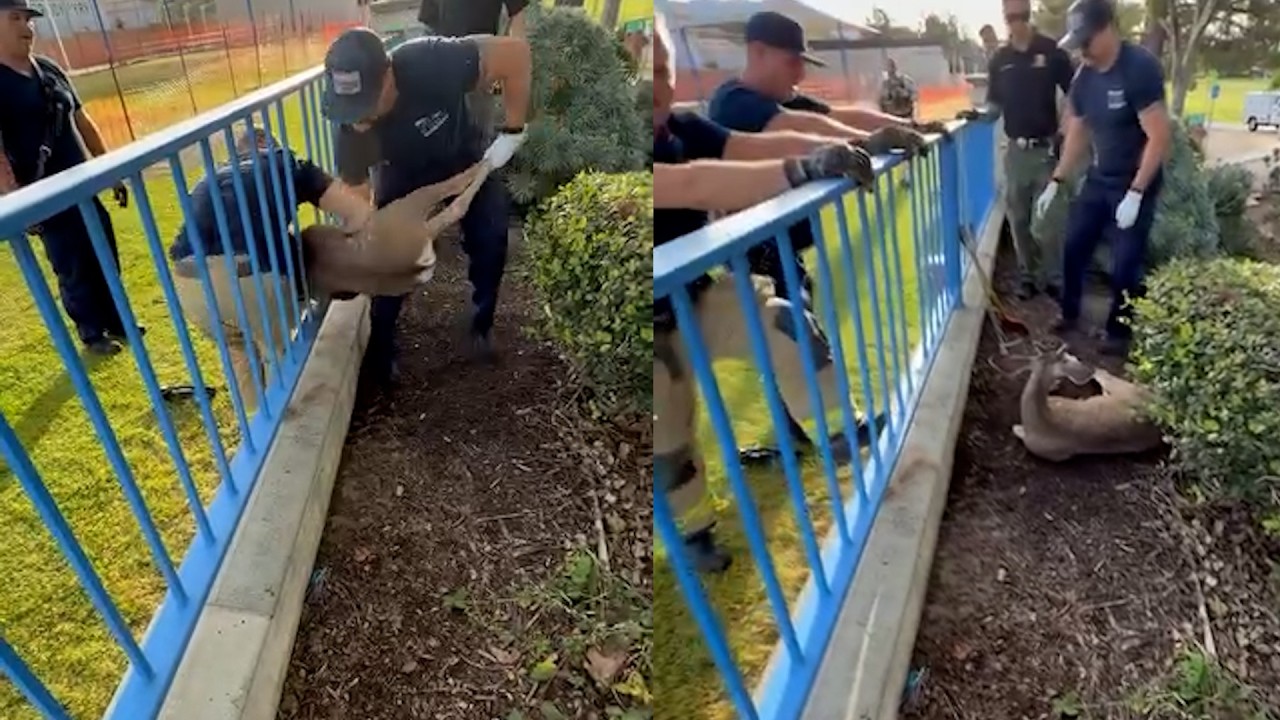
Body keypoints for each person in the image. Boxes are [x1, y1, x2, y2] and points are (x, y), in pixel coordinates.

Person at [653, 12, 883, 573]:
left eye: (661, 68)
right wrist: (804, 168)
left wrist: (857, 144)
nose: (656, 84)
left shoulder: (683, 125)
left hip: (698, 294)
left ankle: (839, 431)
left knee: (789, 322)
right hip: (650, 319)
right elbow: (694, 182)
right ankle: (694, 532)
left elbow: (752, 148)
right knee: (669, 438)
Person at [707, 10, 933, 462]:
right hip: (755, 248)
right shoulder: (735, 101)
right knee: (790, 332)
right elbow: (799, 133)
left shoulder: (777, 99)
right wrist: (868, 144)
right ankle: (836, 431)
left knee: (788, 333)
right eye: (793, 60)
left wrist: (903, 129)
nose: (801, 71)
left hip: (778, 242)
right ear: (758, 53)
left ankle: (807, 431)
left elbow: (835, 115)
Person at [321, 27, 531, 389]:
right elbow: (358, 206)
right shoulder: (351, 135)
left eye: (366, 103)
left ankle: (482, 326)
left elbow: (516, 54)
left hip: (463, 154)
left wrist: (514, 129)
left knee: (492, 238)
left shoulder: (432, 61)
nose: (359, 118)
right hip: (403, 175)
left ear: (389, 75)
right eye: (349, 109)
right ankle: (382, 351)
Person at [169, 124, 372, 414]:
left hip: (190, 289)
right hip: (249, 280)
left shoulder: (209, 178)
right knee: (279, 358)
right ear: (272, 146)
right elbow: (356, 212)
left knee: (239, 351)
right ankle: (290, 430)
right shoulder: (286, 163)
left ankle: (257, 429)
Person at [1034, 0, 1171, 357]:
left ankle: (1119, 333)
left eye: (1087, 41)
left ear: (1109, 28)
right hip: (1099, 178)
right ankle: (1069, 312)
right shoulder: (1085, 77)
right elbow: (1078, 131)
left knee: (1125, 262)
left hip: (1134, 180)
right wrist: (1058, 179)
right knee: (1075, 246)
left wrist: (1137, 192)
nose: (1082, 50)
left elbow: (1159, 136)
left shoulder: (1139, 69)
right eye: (1077, 42)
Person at [0, 0, 136, 356]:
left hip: (83, 185)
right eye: (14, 18)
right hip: (44, 196)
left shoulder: (49, 69)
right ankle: (92, 334)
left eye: (28, 19)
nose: (26, 27)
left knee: (104, 252)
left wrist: (109, 170)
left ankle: (118, 320)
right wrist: (17, 200)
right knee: (72, 266)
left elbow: (82, 121)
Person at [970, 0, 1075, 300]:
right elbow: (994, 106)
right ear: (1004, 17)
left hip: (1046, 150)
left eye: (1021, 16)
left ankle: (1054, 277)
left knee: (1051, 217)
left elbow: (1075, 94)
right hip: (1016, 152)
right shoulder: (1000, 59)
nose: (1016, 22)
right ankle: (1027, 276)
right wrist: (976, 115)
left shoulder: (1051, 50)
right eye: (1010, 17)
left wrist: (1066, 130)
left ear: (1029, 14)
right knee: (1019, 218)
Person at [417, 0, 526, 145]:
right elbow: (429, 24)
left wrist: (507, 65)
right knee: (440, 139)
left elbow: (518, 19)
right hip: (442, 65)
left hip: (481, 65)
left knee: (478, 138)